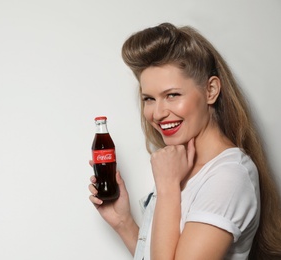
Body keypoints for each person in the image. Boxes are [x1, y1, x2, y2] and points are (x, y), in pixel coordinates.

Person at [88, 23, 281, 260]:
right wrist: (123, 223)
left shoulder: (228, 177)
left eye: (172, 95)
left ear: (211, 90)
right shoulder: (181, 166)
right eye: (149, 98)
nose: (157, 113)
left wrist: (168, 187)